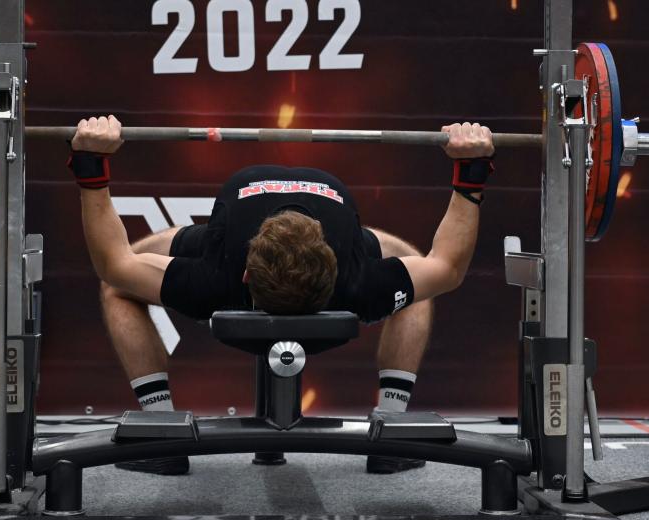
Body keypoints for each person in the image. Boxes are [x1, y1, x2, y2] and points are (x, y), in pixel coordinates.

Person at [68, 116, 495, 475]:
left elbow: (113, 264)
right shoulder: (357, 282)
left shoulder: (217, 282)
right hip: (329, 240)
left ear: (246, 273)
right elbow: (447, 266)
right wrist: (470, 173)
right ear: (332, 264)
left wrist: (91, 165)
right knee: (418, 275)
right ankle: (391, 429)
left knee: (119, 285)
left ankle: (161, 431)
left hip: (228, 241)